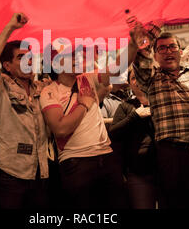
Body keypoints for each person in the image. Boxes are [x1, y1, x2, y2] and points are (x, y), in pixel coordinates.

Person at [39, 26, 139, 209]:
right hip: (76, 164)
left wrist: (133, 44)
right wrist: (84, 104)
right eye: (69, 56)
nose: (77, 59)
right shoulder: (48, 92)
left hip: (107, 158)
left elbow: (117, 69)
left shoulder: (88, 78)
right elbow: (60, 129)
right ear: (55, 63)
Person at [132, 20, 189, 209]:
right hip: (174, 156)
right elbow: (141, 58)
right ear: (155, 56)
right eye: (162, 49)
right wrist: (155, 25)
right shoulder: (151, 79)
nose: (168, 51)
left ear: (180, 52)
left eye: (172, 47)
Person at [0, 13, 50, 209]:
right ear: (7, 66)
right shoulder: (1, 85)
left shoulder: (42, 88)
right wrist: (11, 27)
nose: (28, 61)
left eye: (30, 57)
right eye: (21, 57)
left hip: (40, 172)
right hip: (9, 174)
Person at [107, 67, 157, 208]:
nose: (137, 80)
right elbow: (113, 133)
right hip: (138, 174)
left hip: (166, 168)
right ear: (129, 84)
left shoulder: (161, 101)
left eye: (140, 75)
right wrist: (135, 116)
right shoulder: (126, 106)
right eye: (133, 78)